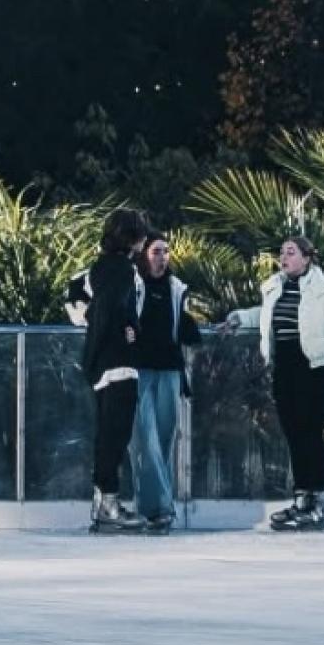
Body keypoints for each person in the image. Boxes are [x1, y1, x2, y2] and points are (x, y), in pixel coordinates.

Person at [223, 237, 324, 531]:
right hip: (286, 365)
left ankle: (316, 502)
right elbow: (266, 315)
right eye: (281, 252)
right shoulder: (275, 287)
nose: (284, 257)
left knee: (310, 431)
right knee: (293, 432)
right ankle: (301, 499)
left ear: (307, 259)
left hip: (315, 366)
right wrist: (240, 318)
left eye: (291, 252)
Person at [66, 208, 149, 532]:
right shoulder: (121, 270)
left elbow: (80, 296)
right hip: (116, 363)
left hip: (107, 362)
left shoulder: (101, 268)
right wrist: (121, 332)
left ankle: (104, 502)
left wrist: (127, 326)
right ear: (133, 238)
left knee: (108, 434)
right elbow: (110, 310)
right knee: (115, 434)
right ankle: (109, 504)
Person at [129, 232, 201, 533]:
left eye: (166, 251)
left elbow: (182, 327)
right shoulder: (134, 285)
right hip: (140, 369)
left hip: (170, 369)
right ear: (145, 254)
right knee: (145, 439)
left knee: (165, 436)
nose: (162, 256)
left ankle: (153, 507)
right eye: (156, 251)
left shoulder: (175, 288)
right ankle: (159, 506)